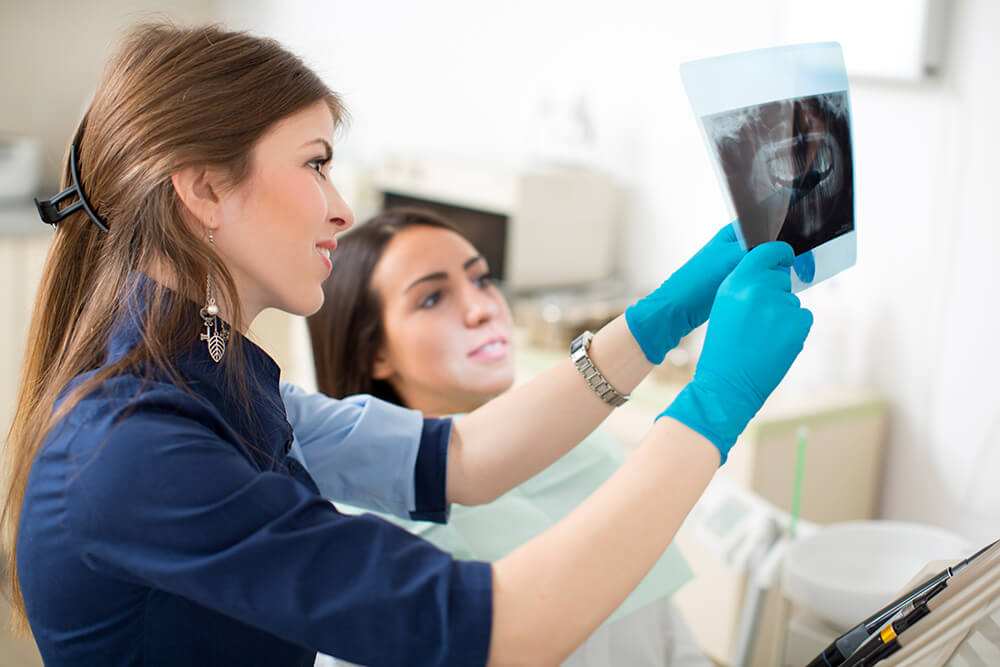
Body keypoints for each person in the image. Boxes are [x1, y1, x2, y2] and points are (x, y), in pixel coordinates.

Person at [0, 22, 813, 667]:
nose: (341, 207)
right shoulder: (137, 451)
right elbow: (507, 628)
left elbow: (463, 455)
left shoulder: (216, 383)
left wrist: (660, 317)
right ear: (203, 188)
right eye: (316, 164)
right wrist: (714, 406)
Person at [304, 207, 709, 666]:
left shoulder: (589, 451)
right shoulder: (373, 533)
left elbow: (665, 636)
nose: (482, 308)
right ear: (373, 352)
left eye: (481, 279)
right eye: (432, 298)